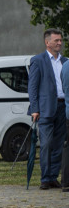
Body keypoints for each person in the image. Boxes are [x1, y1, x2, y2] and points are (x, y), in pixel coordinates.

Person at [27, 29, 67, 189]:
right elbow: (33, 87)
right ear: (47, 42)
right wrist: (35, 108)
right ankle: (45, 178)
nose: (59, 43)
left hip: (63, 106)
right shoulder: (38, 60)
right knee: (46, 144)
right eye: (56, 40)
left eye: (60, 40)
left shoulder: (65, 61)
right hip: (45, 109)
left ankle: (53, 177)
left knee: (59, 145)